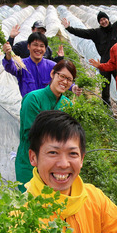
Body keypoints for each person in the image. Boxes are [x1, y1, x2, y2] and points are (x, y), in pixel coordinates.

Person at [15, 60, 77, 192]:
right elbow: (30, 133)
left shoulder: (67, 105)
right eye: (62, 76)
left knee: (51, 206)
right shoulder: (33, 99)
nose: (65, 82)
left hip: (54, 165)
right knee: (29, 202)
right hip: (30, 163)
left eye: (69, 79)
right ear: (53, 74)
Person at [61, 0, 117, 105]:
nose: (103, 21)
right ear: (99, 22)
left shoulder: (115, 28)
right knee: (105, 87)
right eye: (101, 20)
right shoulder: (96, 33)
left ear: (108, 19)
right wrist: (69, 28)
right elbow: (82, 33)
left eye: (104, 19)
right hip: (104, 63)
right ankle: (107, 106)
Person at [3, 32, 57, 98]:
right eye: (35, 45)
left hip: (48, 107)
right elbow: (10, 67)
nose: (38, 49)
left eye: (42, 46)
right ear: (28, 46)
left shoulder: (52, 66)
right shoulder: (21, 64)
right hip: (29, 106)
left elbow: (62, 78)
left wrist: (72, 87)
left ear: (45, 49)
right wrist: (8, 55)